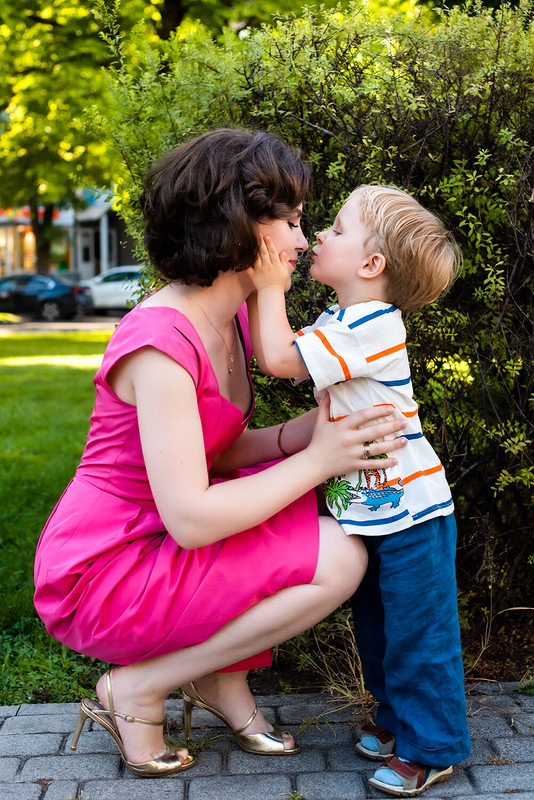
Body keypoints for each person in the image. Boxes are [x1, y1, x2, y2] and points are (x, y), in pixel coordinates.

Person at [33, 132, 409, 779]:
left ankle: (218, 683)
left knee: (319, 513)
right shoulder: (159, 342)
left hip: (159, 541)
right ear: (241, 226)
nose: (302, 240)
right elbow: (193, 518)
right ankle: (141, 687)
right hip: (107, 566)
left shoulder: (229, 319)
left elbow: (220, 447)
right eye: (289, 221)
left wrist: (307, 436)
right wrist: (318, 460)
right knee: (339, 555)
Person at [247, 184, 471, 796]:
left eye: (337, 229)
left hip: (413, 512)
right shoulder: (342, 320)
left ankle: (435, 747)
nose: (318, 234)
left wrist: (269, 286)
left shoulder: (371, 326)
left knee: (419, 637)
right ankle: (401, 724)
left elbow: (279, 359)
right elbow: (294, 350)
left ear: (372, 266)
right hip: (373, 510)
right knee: (378, 629)